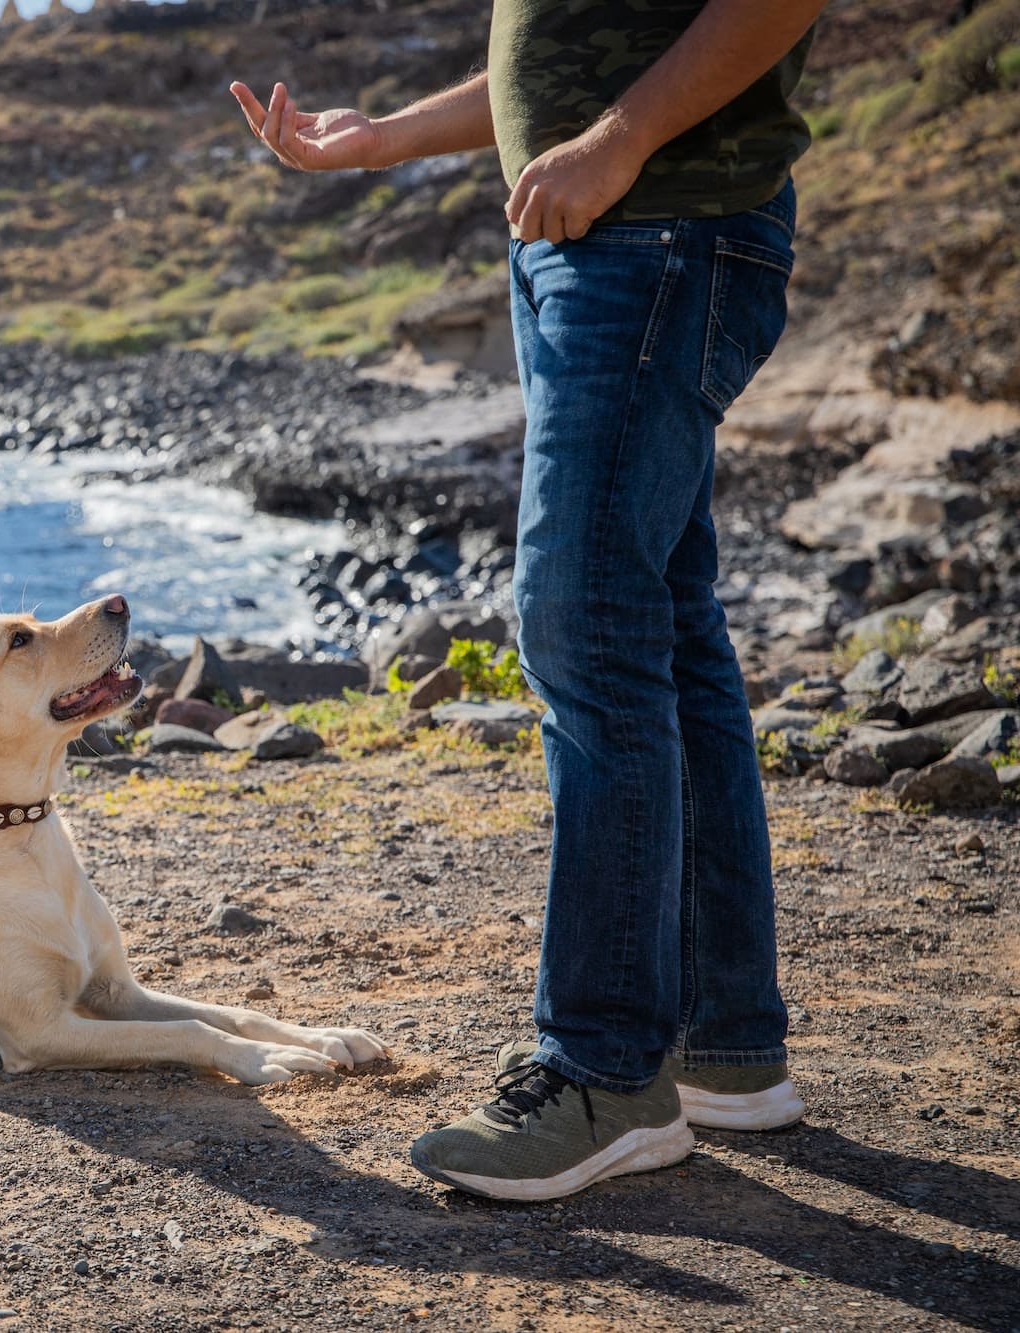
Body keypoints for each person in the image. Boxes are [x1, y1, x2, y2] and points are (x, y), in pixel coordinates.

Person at [232, 0, 827, 1202]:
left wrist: (616, 140)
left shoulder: (636, 174)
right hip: (591, 236)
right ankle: (723, 1044)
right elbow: (556, 50)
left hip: (655, 229)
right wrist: (383, 137)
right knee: (662, 623)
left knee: (583, 621)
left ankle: (605, 1068)